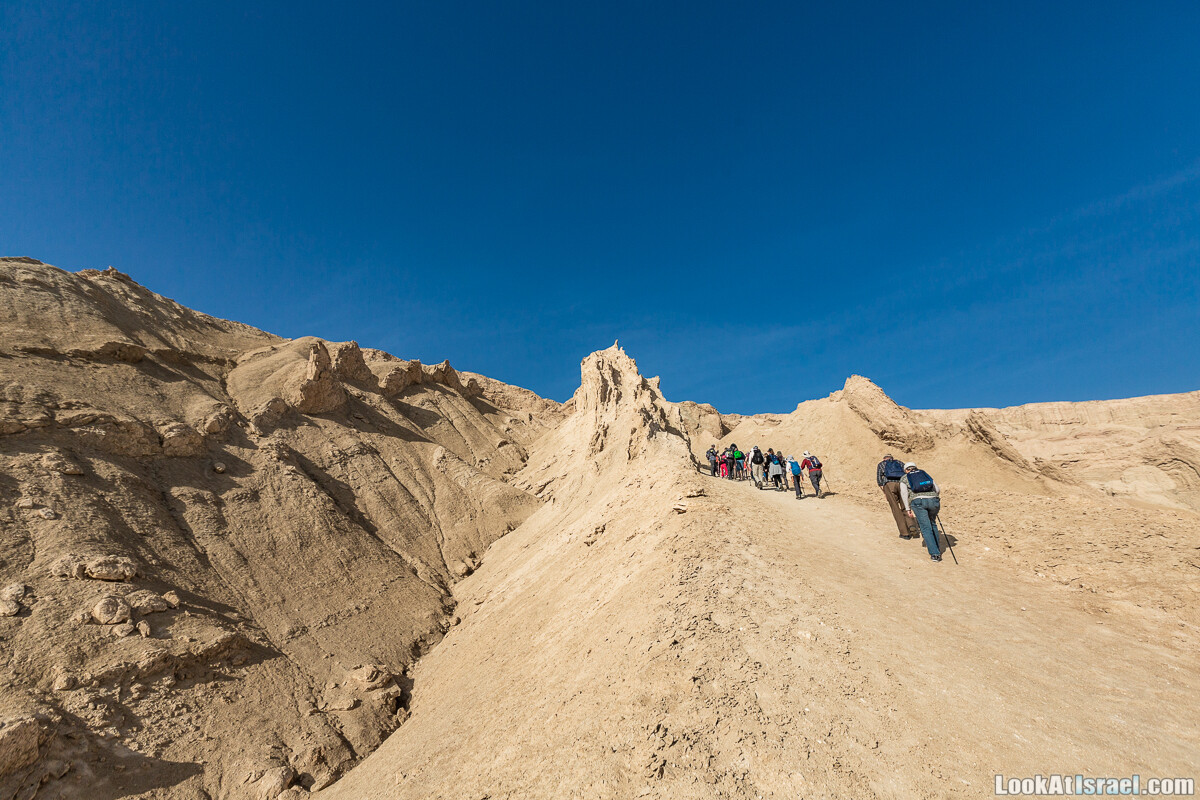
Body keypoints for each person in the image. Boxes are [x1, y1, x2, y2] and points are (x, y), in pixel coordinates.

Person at [900, 462, 943, 562]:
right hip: (934, 500)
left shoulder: (904, 478)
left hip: (918, 502)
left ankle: (935, 554)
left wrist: (907, 509)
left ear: (906, 470)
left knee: (925, 527)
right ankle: (937, 548)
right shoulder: (923, 473)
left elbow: (904, 494)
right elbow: (937, 489)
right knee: (933, 523)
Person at [877, 454, 920, 539]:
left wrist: (885, 491)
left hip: (889, 485)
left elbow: (879, 479)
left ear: (884, 459)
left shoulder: (881, 464)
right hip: (902, 484)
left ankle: (905, 533)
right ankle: (911, 525)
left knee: (896, 509)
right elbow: (908, 473)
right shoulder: (899, 462)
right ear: (892, 458)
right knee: (905, 506)